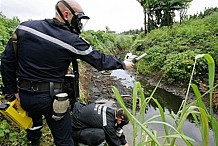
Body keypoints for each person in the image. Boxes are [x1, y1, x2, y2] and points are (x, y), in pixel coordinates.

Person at [0, 0, 134, 146]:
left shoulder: (24, 28)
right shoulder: (71, 40)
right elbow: (99, 60)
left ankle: (34, 142)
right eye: (79, 18)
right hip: (52, 100)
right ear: (66, 14)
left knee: (34, 123)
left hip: (25, 95)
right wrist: (123, 64)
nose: (80, 24)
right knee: (64, 139)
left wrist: (11, 92)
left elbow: (6, 61)